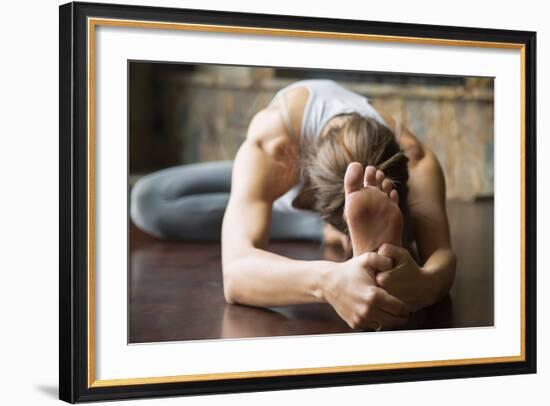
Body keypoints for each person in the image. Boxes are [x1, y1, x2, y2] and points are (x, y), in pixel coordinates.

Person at [131, 79, 457, 331]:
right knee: (148, 199)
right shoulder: (275, 144)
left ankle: (374, 242)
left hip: (376, 196)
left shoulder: (415, 158)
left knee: (413, 221)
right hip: (282, 185)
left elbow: (442, 256)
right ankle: (326, 232)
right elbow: (235, 274)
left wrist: (424, 285)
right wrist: (328, 282)